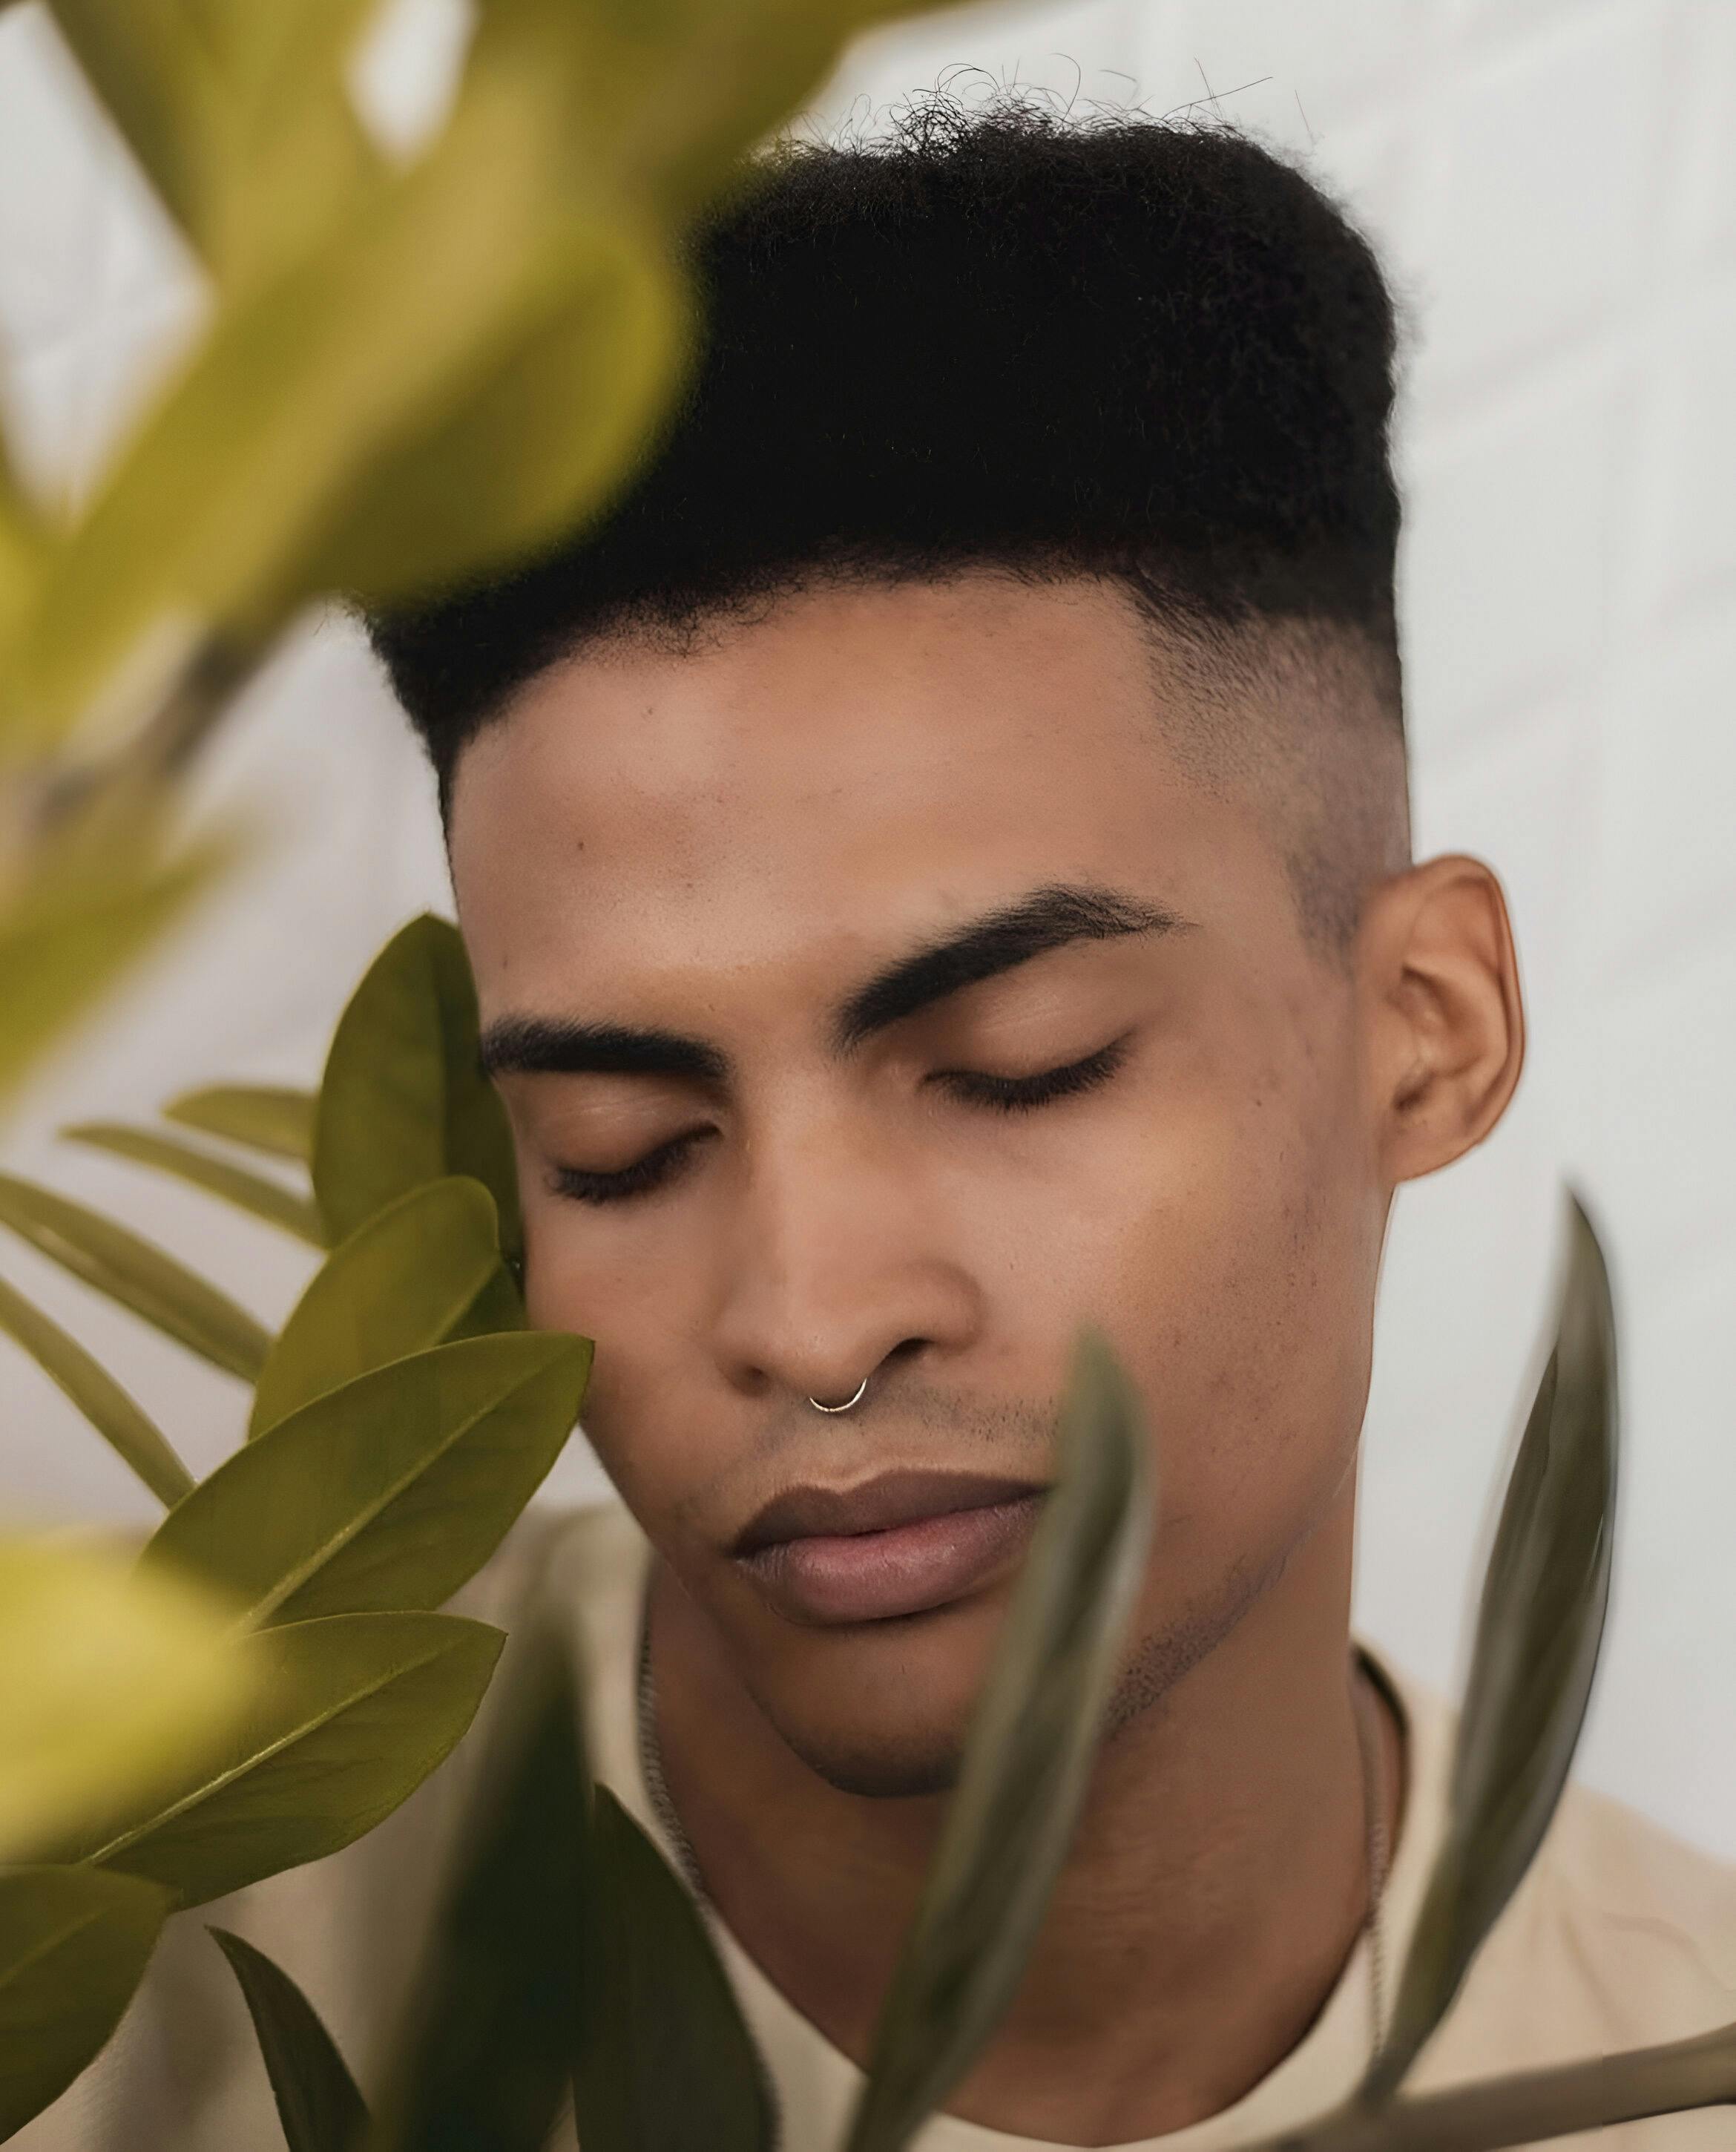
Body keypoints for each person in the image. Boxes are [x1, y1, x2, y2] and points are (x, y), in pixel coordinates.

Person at [27, 101, 1736, 2152]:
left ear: (1425, 1032)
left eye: (1017, 1064)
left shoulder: (1667, 2063)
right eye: (618, 1145)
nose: (813, 1318)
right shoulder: (105, 1900)